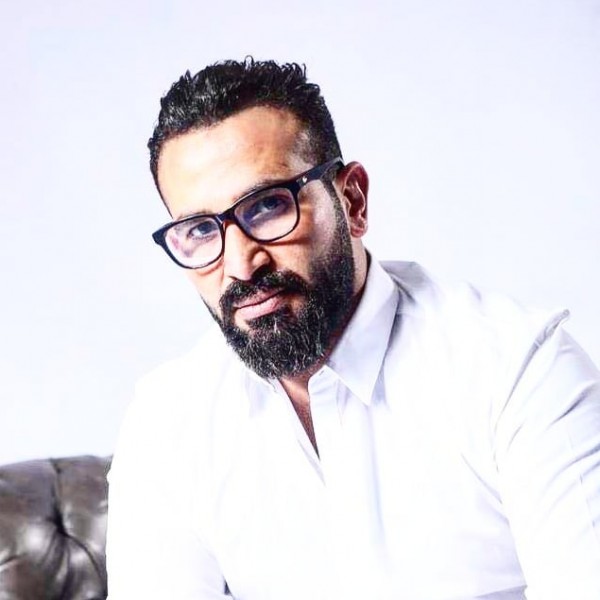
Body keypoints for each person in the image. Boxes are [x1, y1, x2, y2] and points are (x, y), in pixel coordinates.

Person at [106, 58, 600, 600]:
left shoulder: (518, 370)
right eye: (201, 230)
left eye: (268, 206)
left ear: (352, 201)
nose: (242, 264)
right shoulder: (168, 420)